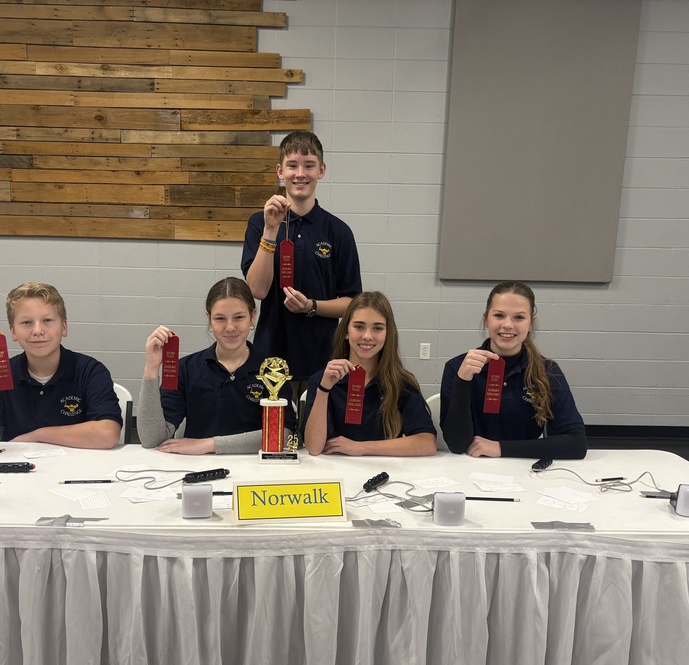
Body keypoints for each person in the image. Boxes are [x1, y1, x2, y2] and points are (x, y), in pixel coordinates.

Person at [242, 130, 362, 389]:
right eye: (292, 165)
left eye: (309, 166)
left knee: (312, 429)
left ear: (321, 170)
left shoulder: (338, 231)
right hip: (270, 356)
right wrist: (271, 230)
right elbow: (257, 290)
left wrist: (312, 306)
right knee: (274, 430)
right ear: (279, 171)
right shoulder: (259, 223)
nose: (300, 174)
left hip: (321, 358)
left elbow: (352, 302)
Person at [0, 282, 122, 450]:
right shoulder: (1, 375)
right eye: (26, 322)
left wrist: (38, 436)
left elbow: (107, 434)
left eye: (47, 320)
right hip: (18, 472)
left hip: (76, 470)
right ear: (13, 332)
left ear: (63, 327)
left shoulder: (90, 371)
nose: (38, 330)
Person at [138, 277, 295, 454]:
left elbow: (285, 435)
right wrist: (150, 369)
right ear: (209, 318)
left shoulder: (272, 370)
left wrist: (210, 445)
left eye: (239, 317)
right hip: (197, 469)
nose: (230, 327)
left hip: (253, 469)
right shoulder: (186, 369)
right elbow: (152, 439)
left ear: (253, 316)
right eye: (220, 318)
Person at [440, 281, 587, 459]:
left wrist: (500, 448)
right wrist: (463, 381)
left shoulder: (547, 371)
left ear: (531, 323)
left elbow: (576, 444)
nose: (508, 325)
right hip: (471, 466)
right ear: (486, 319)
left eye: (519, 317)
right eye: (499, 315)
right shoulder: (458, 368)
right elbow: (457, 444)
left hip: (525, 468)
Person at [303, 292, 437, 457]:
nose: (367, 336)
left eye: (378, 328)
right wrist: (324, 390)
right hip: (335, 472)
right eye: (359, 327)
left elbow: (427, 443)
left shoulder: (401, 384)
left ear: (388, 334)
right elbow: (314, 448)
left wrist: (361, 448)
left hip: (383, 473)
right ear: (346, 331)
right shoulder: (321, 380)